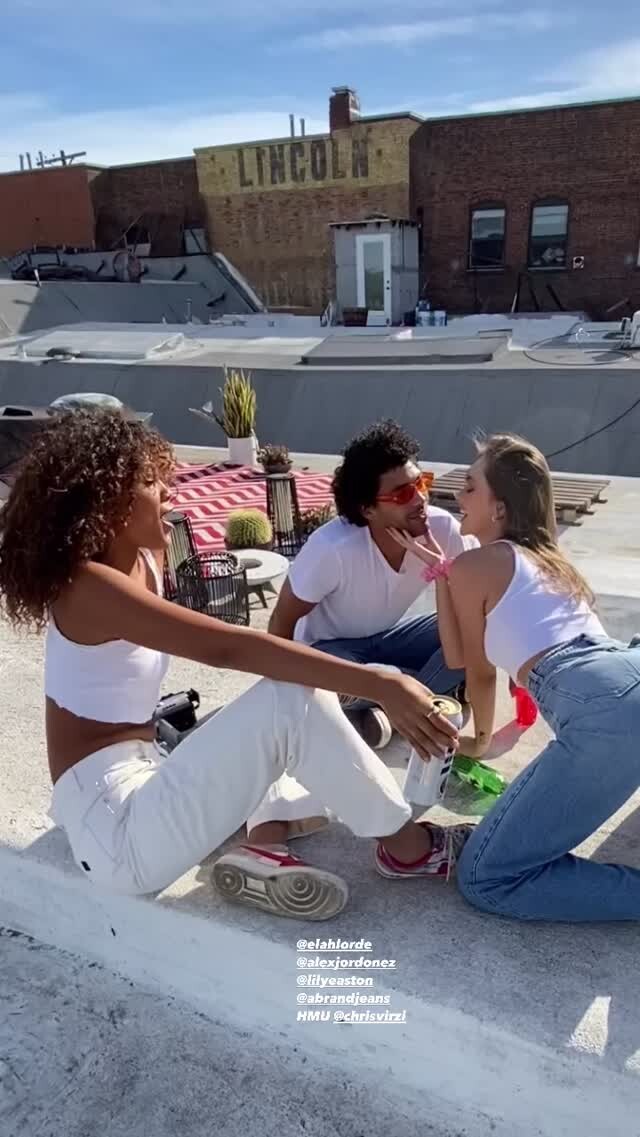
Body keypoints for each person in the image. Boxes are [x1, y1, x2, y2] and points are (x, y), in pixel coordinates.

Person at [0, 409, 472, 923]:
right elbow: (227, 649)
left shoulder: (143, 560)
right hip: (115, 830)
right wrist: (380, 683)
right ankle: (409, 849)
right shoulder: (85, 587)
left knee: (280, 716)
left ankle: (262, 847)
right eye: (151, 481)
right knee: (290, 699)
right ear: (107, 498)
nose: (169, 491)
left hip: (147, 773)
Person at [391, 433, 640, 922]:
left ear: (499, 508)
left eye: (470, 486)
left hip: (604, 708)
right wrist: (443, 574)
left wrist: (479, 743)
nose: (458, 495)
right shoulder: (546, 557)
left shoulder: (478, 564)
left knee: (486, 877)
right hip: (622, 669)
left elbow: (477, 673)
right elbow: (458, 652)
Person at [245, 419, 476, 850]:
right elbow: (282, 622)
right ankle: (393, 700)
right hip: (333, 654)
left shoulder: (442, 529)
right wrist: (282, 695)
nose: (420, 499)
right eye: (402, 493)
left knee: (472, 632)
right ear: (368, 509)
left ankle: (387, 705)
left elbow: (473, 611)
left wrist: (442, 568)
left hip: (391, 638)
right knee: (360, 679)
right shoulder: (332, 549)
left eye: (421, 482)